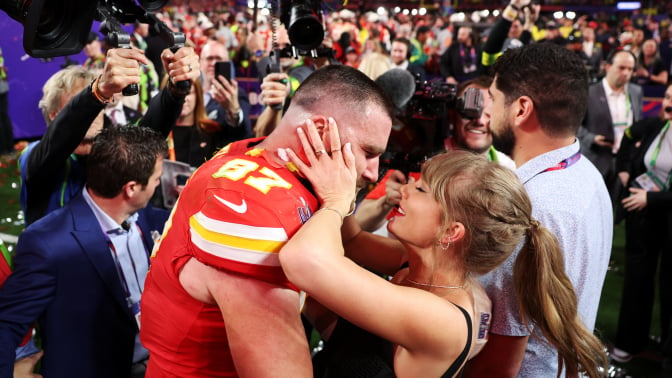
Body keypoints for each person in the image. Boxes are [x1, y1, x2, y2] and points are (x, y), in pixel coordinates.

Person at [279, 123, 607, 377]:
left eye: (420, 189)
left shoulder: (445, 319)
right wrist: (349, 180)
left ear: (450, 231)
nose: (405, 190)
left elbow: (301, 260)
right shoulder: (417, 264)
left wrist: (336, 200)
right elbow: (350, 241)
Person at [140, 65, 393, 377]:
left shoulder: (250, 153)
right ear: (320, 131)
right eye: (368, 151)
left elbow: (351, 241)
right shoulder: (253, 211)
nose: (372, 171)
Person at [463, 42, 612, 377]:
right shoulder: (587, 172)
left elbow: (499, 364)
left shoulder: (525, 207)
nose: (486, 113)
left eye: (494, 98)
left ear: (521, 109)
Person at [0, 125, 169, 378]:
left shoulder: (152, 219)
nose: (158, 184)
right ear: (131, 188)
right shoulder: (47, 244)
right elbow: (7, 324)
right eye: (157, 179)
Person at [19, 46, 200, 225]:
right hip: (59, 253)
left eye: (99, 104)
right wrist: (97, 92)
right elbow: (57, 142)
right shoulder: (34, 155)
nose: (92, 113)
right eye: (82, 104)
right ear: (55, 115)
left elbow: (149, 133)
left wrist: (175, 90)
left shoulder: (108, 150)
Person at [356, 75, 515, 234]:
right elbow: (359, 223)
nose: (479, 120)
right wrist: (386, 202)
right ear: (453, 114)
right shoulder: (422, 158)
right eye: (470, 111)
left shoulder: (509, 169)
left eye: (489, 114)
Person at [610, 84, 672, 363]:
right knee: (637, 280)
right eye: (668, 96)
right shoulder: (653, 125)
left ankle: (666, 345)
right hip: (643, 217)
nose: (668, 103)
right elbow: (626, 138)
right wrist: (623, 169)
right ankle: (628, 342)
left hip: (663, 214)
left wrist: (653, 198)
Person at [579, 49, 643, 204]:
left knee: (614, 207)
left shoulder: (636, 91)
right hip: (596, 158)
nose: (626, 73)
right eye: (622, 68)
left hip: (624, 160)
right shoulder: (588, 92)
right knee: (590, 205)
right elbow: (574, 126)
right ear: (608, 67)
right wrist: (592, 138)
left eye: (630, 69)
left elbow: (637, 122)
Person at [199, 39, 252, 143]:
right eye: (209, 58)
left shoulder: (236, 94)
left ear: (228, 63)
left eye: (218, 58)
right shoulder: (191, 92)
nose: (213, 63)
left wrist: (234, 111)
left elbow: (245, 133)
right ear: (200, 63)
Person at [167, 77, 226, 167]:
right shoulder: (156, 131)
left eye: (188, 93)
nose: (183, 98)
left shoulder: (212, 131)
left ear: (198, 95)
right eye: (177, 92)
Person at [0, 45, 14, 157]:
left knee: (3, 118)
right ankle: (8, 149)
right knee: (4, 117)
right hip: (3, 86)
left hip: (2, 87)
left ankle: (6, 149)